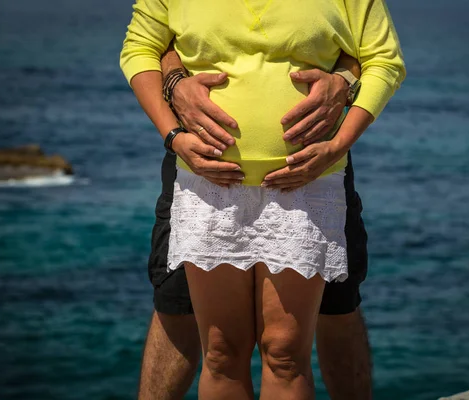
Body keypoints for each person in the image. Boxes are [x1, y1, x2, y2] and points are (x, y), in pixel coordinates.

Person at [120, 1, 405, 398]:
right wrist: (173, 134)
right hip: (207, 185)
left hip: (307, 185)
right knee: (220, 350)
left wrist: (339, 142)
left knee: (286, 351)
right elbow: (140, 48)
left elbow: (383, 59)